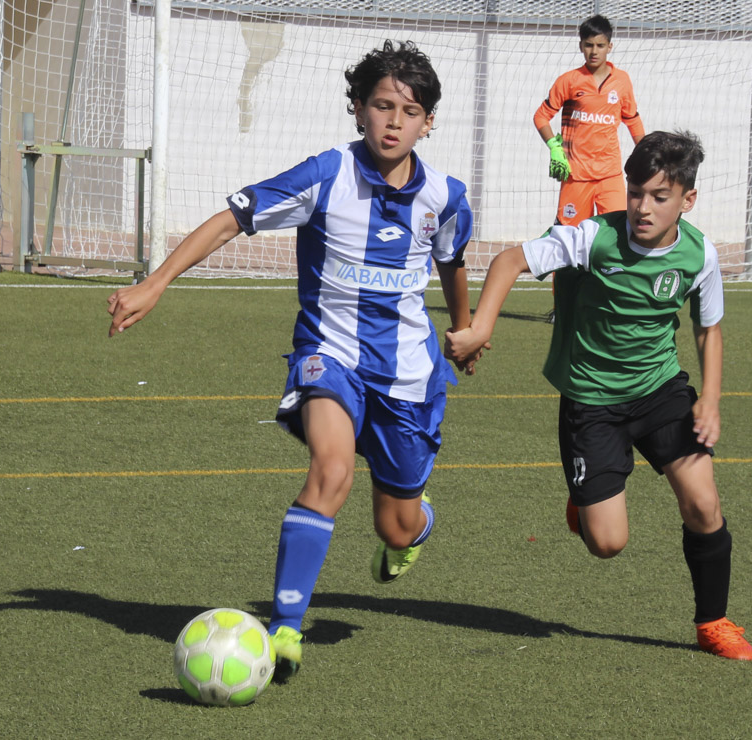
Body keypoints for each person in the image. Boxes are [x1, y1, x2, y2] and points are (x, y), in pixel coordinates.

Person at [106, 40, 476, 681]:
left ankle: (415, 530)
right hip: (328, 356)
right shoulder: (324, 175)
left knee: (395, 525)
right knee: (331, 469)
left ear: (428, 121)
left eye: (409, 111)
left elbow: (451, 262)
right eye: (381, 106)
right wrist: (155, 282)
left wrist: (466, 328)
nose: (394, 121)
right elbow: (233, 218)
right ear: (358, 109)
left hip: (411, 375)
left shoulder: (445, 196)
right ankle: (284, 629)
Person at [445, 131, 752, 661]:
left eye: (659, 196)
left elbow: (708, 328)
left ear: (688, 200)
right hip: (592, 403)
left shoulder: (699, 253)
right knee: (607, 544)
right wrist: (479, 328)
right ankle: (583, 496)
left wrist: (710, 400)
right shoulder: (593, 237)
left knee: (703, 502)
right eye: (636, 192)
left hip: (661, 392)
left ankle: (713, 622)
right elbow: (509, 260)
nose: (642, 206)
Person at [534, 14, 646, 228]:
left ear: (610, 46)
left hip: (609, 175)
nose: (594, 51)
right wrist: (554, 147)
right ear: (580, 46)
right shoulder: (568, 81)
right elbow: (541, 116)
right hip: (575, 174)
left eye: (600, 45)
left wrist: (647, 153)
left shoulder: (622, 81)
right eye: (589, 45)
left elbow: (632, 120)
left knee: (617, 231)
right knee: (570, 235)